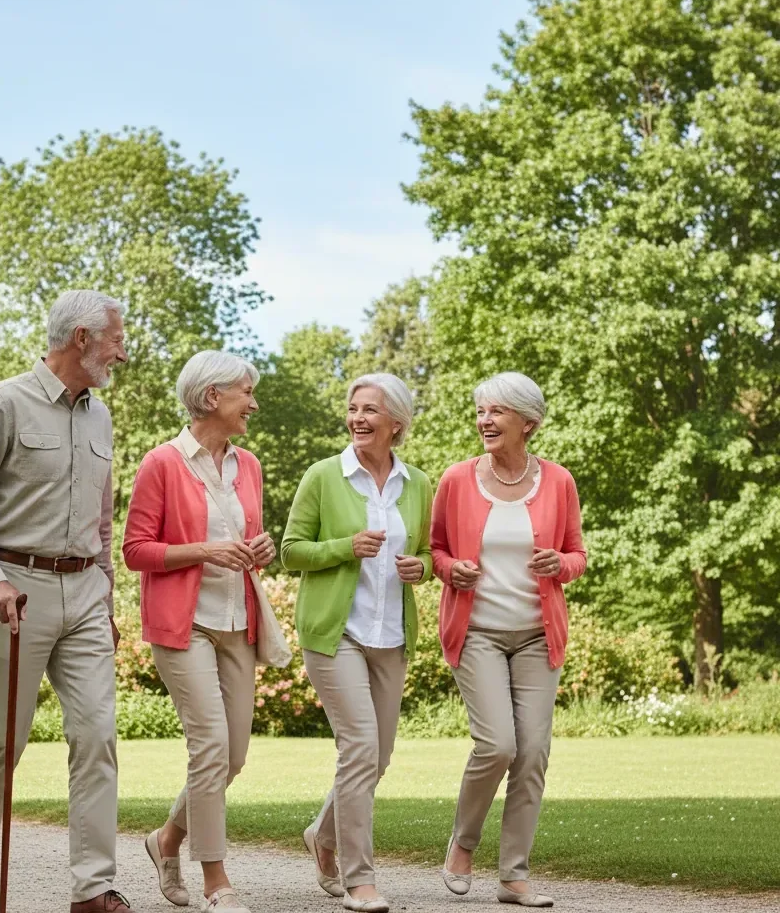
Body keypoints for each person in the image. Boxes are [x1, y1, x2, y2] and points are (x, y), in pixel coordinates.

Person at [0, 289, 132, 913]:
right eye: (115, 340)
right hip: (15, 591)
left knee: (98, 734)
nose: (121, 353)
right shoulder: (4, 403)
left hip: (86, 593)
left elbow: (103, 521)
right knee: (3, 741)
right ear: (81, 339)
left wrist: (106, 596)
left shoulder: (99, 417)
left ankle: (92, 888)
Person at [122, 350, 274, 913]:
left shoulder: (249, 465)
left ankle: (166, 840)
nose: (253, 404)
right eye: (245, 394)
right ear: (212, 397)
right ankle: (217, 881)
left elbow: (251, 538)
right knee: (209, 747)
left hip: (238, 621)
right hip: (184, 626)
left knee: (232, 757)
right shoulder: (162, 463)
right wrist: (203, 551)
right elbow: (136, 550)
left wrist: (262, 548)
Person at [431, 372, 587, 908]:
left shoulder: (560, 482)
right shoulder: (456, 480)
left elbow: (577, 555)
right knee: (498, 744)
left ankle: (514, 875)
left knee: (533, 753)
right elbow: (436, 549)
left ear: (529, 423)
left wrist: (559, 564)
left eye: (496, 412)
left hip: (537, 636)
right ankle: (462, 843)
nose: (485, 421)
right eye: (480, 411)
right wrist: (452, 570)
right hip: (477, 633)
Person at [281, 373, 433, 913]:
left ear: (397, 423)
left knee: (379, 755)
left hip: (390, 635)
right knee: (360, 747)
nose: (358, 418)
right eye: (353, 408)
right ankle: (359, 878)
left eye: (371, 410)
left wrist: (425, 567)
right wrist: (345, 547)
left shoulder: (416, 483)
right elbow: (291, 550)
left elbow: (431, 550)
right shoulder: (324, 476)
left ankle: (323, 834)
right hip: (335, 633)